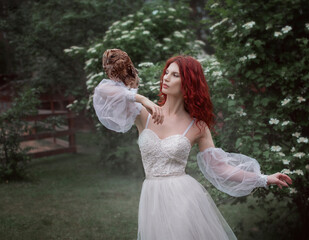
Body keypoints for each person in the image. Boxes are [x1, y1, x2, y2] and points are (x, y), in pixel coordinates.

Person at [93, 55, 292, 240]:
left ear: (188, 83)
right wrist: (142, 99)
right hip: (152, 198)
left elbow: (220, 168)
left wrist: (264, 179)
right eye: (167, 73)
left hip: (183, 198)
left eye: (175, 75)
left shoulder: (198, 126)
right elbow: (102, 91)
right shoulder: (143, 113)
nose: (166, 78)